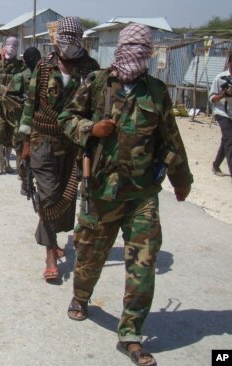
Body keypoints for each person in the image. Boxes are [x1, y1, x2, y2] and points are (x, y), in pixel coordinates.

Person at [58, 23, 193, 366]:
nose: (134, 54)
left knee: (144, 265)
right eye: (129, 46)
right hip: (101, 191)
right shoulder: (97, 83)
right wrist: (93, 128)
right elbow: (66, 118)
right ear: (120, 49)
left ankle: (131, 332)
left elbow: (171, 140)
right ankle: (81, 296)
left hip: (142, 194)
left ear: (148, 53)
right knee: (89, 255)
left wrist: (182, 179)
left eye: (141, 48)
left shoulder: (157, 91)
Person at [19, 17, 99, 282]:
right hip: (43, 140)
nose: (67, 43)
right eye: (63, 37)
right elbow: (30, 105)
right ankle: (50, 256)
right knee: (49, 195)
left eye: (72, 37)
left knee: (66, 197)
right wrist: (26, 143)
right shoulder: (44, 66)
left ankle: (51, 239)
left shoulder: (91, 68)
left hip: (74, 144)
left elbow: (95, 109)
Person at [0, 36, 26, 174]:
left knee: (11, 135)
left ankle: (8, 161)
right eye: (9, 44)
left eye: (15, 45)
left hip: (14, 107)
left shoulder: (21, 67)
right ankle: (0, 161)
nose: (12, 47)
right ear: (4, 46)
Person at [209, 54, 232, 180]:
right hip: (221, 112)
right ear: (229, 62)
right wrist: (224, 94)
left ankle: (216, 165)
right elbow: (212, 99)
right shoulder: (220, 78)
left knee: (226, 141)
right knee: (230, 141)